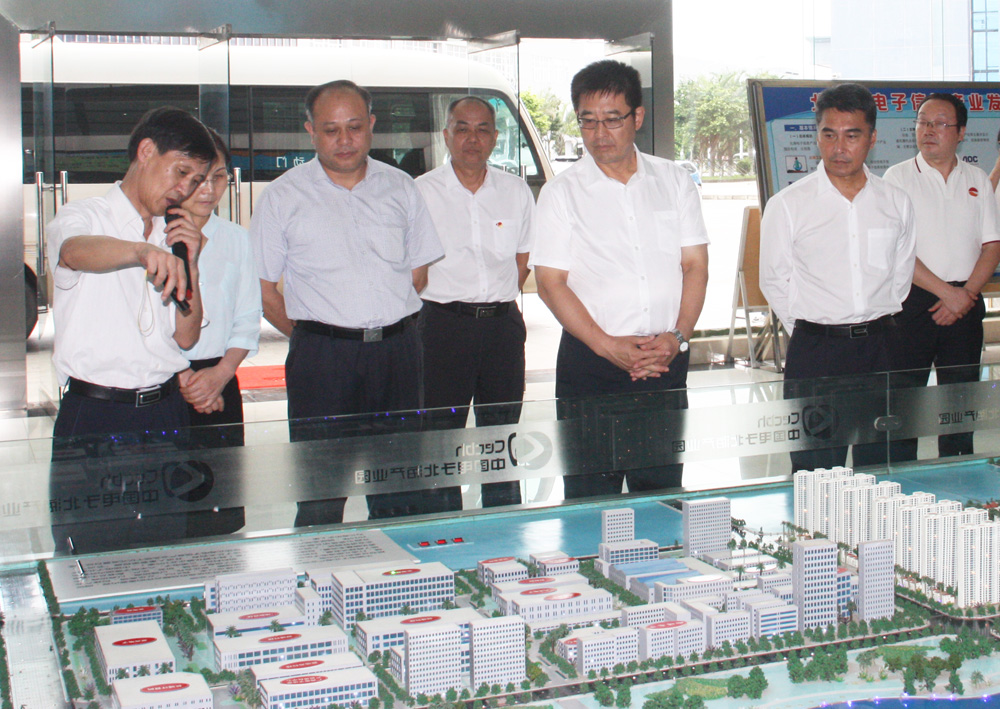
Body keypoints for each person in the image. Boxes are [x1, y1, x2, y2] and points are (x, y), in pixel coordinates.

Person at [251, 80, 444, 526]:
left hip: (398, 354)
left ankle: (400, 567)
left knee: (401, 486)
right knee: (321, 490)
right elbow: (263, 290)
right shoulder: (283, 196)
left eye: (354, 127)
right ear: (311, 131)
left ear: (371, 125)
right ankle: (317, 567)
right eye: (331, 130)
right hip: (322, 360)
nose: (344, 140)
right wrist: (316, 338)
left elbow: (418, 274)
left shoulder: (400, 187)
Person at [531, 60, 710, 499]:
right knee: (590, 497)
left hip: (664, 358)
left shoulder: (674, 181)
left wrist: (678, 337)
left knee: (661, 493)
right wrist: (607, 346)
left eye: (612, 119)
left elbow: (695, 266)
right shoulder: (561, 193)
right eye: (588, 121)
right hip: (591, 364)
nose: (599, 133)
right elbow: (550, 282)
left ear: (637, 117)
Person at [47, 106, 215, 551]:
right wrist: (141, 252)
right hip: (97, 412)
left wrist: (192, 266)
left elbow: (187, 337)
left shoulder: (176, 233)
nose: (185, 189)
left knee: (164, 543)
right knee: (86, 546)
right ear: (145, 152)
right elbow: (75, 252)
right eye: (181, 172)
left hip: (164, 412)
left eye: (196, 180)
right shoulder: (85, 215)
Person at [759, 83, 917, 473]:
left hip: (883, 348)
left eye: (852, 135)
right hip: (817, 353)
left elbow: (901, 274)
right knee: (816, 471)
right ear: (817, 136)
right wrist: (812, 329)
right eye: (829, 134)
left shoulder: (895, 201)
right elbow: (774, 280)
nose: (838, 147)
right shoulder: (789, 205)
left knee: (885, 467)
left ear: (872, 138)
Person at [414, 96, 534, 508]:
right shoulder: (421, 192)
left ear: (495, 137)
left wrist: (495, 299)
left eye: (483, 129)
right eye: (462, 128)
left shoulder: (515, 191)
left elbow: (523, 258)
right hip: (442, 327)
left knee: (501, 435)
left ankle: (502, 521)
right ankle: (443, 524)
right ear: (446, 135)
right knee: (440, 438)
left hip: (502, 327)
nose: (472, 138)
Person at [883, 93, 1000, 460]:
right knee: (904, 402)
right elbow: (896, 249)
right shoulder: (897, 177)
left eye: (939, 123)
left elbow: (992, 246)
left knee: (959, 404)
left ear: (961, 132)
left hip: (966, 301)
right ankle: (900, 480)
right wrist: (946, 294)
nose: (928, 130)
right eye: (922, 122)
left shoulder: (977, 178)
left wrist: (964, 294)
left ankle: (959, 476)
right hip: (912, 303)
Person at [176, 128, 262, 535]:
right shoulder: (149, 235)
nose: (209, 189)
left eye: (219, 176)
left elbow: (247, 317)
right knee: (171, 507)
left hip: (221, 380)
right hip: (166, 381)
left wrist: (221, 374)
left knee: (219, 508)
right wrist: (185, 377)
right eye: (198, 178)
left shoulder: (236, 239)